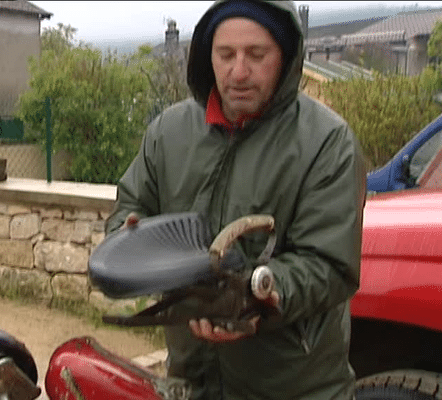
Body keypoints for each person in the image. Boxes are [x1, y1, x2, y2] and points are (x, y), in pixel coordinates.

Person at [105, 1, 366, 399]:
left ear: (286, 57)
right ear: (207, 55)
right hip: (192, 381)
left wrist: (253, 298)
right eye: (225, 55)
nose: (238, 72)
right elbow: (130, 209)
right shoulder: (168, 132)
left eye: (256, 55)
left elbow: (329, 264)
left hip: (296, 387)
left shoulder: (327, 142)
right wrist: (131, 240)